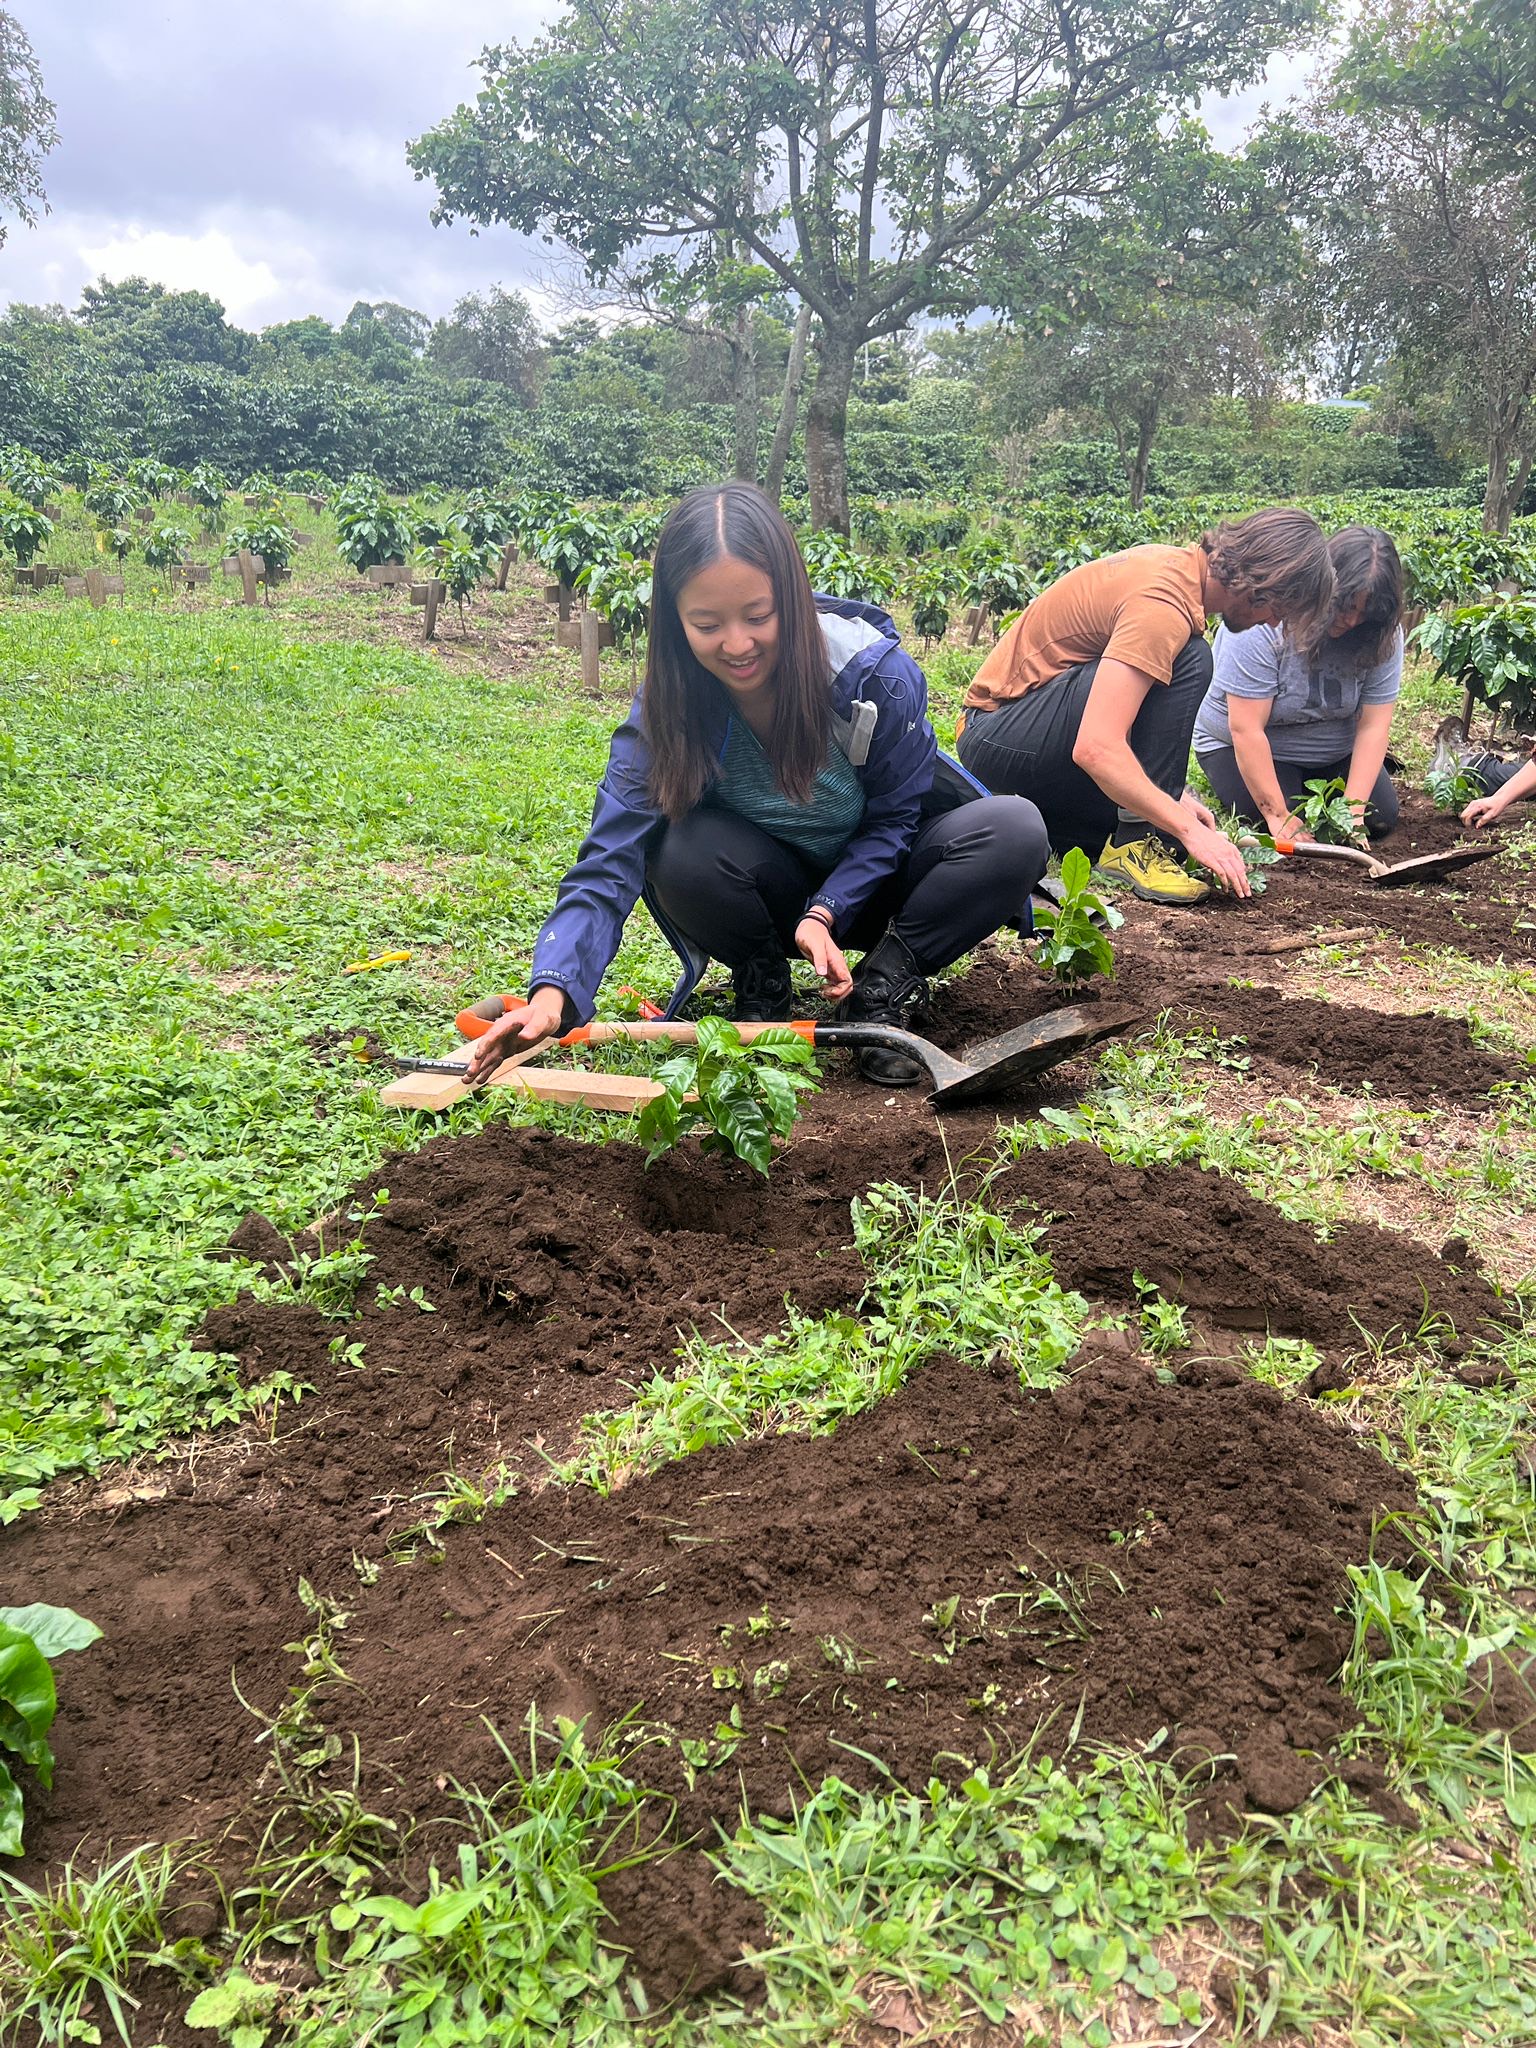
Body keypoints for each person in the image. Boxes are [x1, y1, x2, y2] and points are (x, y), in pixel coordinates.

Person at [465, 482, 1049, 1087]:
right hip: (770, 893)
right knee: (674, 843)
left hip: (886, 888)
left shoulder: (873, 679)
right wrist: (553, 991)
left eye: (758, 616)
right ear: (674, 621)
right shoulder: (667, 710)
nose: (737, 644)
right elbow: (610, 857)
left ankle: (881, 991)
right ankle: (762, 978)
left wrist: (828, 910)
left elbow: (895, 820)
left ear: (792, 599)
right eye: (707, 623)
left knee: (1013, 828)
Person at [955, 508, 1335, 904]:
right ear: (1262, 584)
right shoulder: (1163, 606)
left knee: (1155, 820)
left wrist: (1174, 804)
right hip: (996, 737)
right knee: (1191, 659)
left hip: (1032, 738)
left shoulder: (1178, 570)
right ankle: (1137, 844)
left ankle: (1118, 834)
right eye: (1280, 609)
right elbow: (1096, 747)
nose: (1274, 623)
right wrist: (1187, 829)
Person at [1193, 525, 1404, 845]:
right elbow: (1246, 728)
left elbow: (1374, 726)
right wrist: (1276, 815)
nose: (1352, 621)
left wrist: (1354, 812)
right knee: (1286, 822)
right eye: (1346, 606)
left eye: (1365, 614)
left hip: (1332, 752)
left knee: (1380, 817)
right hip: (1246, 746)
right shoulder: (1266, 620)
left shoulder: (1381, 636)